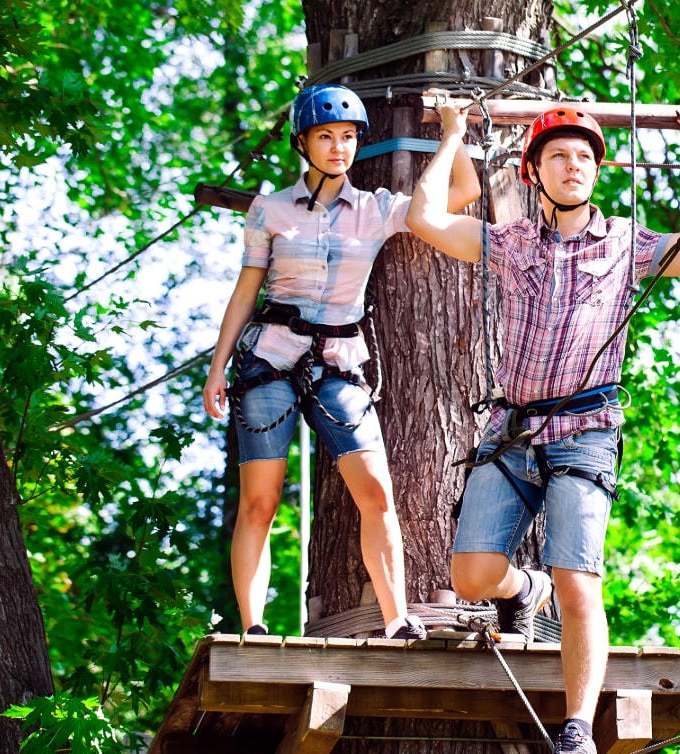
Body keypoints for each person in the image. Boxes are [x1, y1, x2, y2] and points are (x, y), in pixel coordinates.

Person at [406, 103, 680, 754]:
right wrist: (452, 137)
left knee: (578, 576)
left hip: (586, 429)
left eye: (586, 157)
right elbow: (424, 218)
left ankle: (576, 731)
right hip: (513, 430)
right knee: (474, 577)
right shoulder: (510, 243)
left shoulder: (626, 244)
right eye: (560, 156)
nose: (575, 166)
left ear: (598, 172)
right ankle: (521, 589)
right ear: (533, 172)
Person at [202, 83, 480, 640]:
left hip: (338, 362)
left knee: (375, 492)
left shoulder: (377, 210)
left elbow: (464, 190)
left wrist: (454, 133)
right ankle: (252, 624)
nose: (339, 148)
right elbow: (245, 289)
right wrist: (217, 366)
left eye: (348, 137)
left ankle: (396, 618)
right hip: (270, 358)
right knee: (261, 499)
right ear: (303, 142)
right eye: (326, 137)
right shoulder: (270, 209)